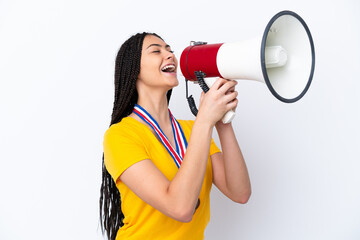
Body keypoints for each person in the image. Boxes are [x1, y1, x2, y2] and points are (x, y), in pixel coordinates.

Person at [99, 32, 251, 240]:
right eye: (156, 51)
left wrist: (222, 122)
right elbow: (179, 208)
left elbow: (239, 192)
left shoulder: (193, 129)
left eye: (170, 50)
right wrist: (205, 120)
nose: (170, 55)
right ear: (134, 69)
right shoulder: (120, 136)